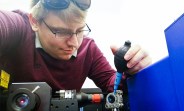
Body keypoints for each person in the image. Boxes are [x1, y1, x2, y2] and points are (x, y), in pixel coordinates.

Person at [0, 0, 151, 93]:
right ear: (34, 22)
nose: (75, 43)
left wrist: (132, 71)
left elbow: (112, 84)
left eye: (79, 31)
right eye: (60, 32)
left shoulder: (88, 49)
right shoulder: (18, 28)